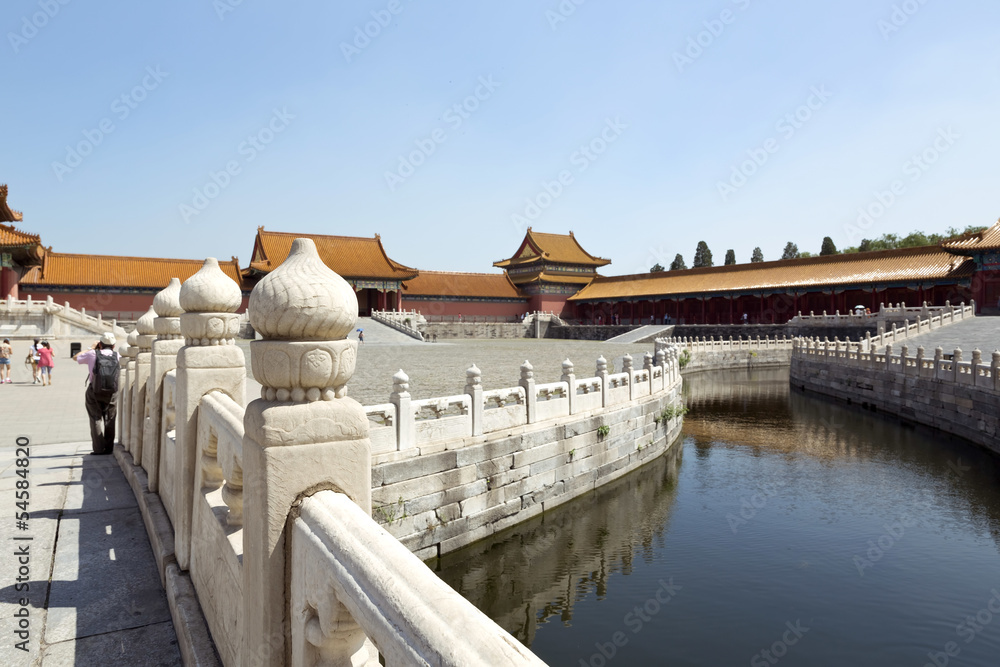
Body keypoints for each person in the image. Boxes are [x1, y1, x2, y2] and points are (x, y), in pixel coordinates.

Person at [72, 332, 121, 455]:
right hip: (112, 392)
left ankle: (99, 449)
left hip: (94, 391)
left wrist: (91, 347)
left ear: (100, 344)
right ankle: (109, 448)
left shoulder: (92, 354)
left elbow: (75, 357)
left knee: (95, 418)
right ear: (114, 346)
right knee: (110, 419)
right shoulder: (118, 356)